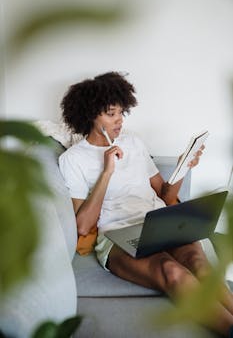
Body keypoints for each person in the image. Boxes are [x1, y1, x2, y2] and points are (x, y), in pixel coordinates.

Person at [59, 71, 233, 337]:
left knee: (199, 263)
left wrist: (182, 168)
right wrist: (107, 171)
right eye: (111, 114)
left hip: (160, 222)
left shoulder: (135, 142)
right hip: (118, 234)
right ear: (90, 115)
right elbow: (82, 226)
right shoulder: (74, 159)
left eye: (121, 113)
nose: (119, 121)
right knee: (171, 271)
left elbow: (164, 192)